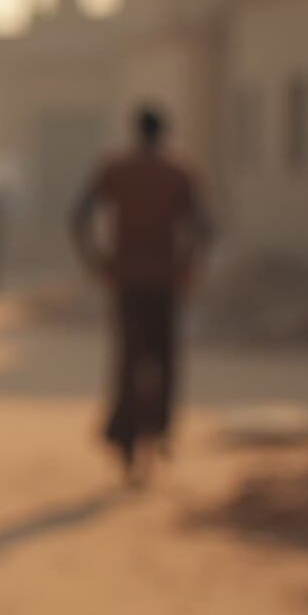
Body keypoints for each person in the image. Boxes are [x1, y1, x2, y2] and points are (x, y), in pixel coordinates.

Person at [71, 106, 212, 482]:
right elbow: (203, 226)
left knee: (128, 359)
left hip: (126, 279)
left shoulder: (116, 170)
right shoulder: (178, 172)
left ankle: (126, 437)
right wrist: (187, 264)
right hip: (165, 281)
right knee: (163, 358)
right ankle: (160, 429)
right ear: (164, 133)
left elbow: (80, 216)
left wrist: (96, 261)